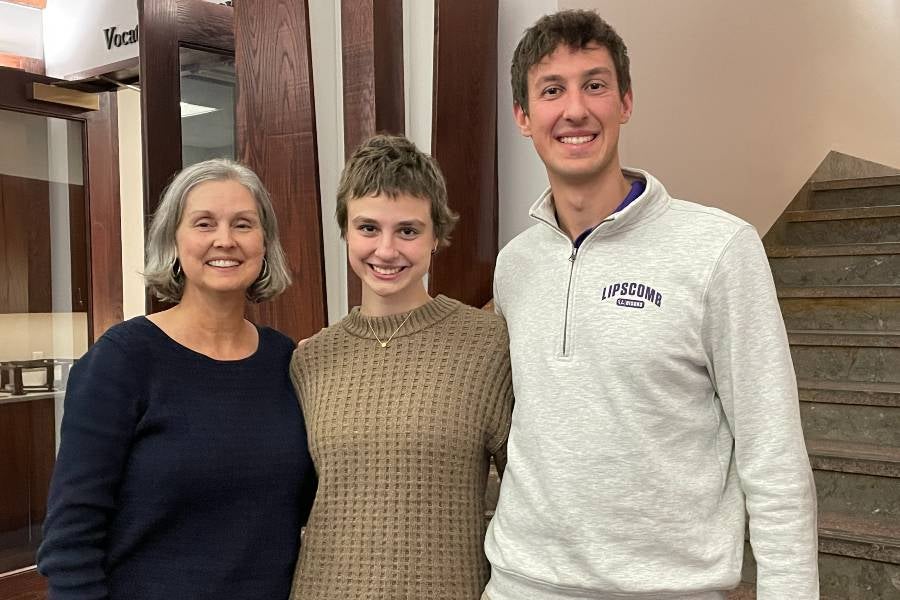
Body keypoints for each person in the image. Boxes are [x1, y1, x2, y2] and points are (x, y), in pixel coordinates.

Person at [484, 10, 818, 600]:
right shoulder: (515, 265)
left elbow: (774, 457)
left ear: (626, 102)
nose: (576, 110)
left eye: (595, 85)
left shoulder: (719, 249)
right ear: (523, 117)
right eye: (551, 90)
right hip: (521, 585)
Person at [37, 159, 316, 600]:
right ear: (174, 240)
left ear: (265, 243)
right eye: (204, 223)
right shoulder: (123, 360)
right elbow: (72, 537)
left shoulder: (289, 361)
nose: (225, 240)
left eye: (243, 224)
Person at [289, 134, 513, 600]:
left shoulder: (489, 345)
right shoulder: (310, 359)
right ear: (346, 231)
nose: (386, 251)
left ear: (437, 237)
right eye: (368, 228)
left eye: (408, 230)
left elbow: (533, 500)